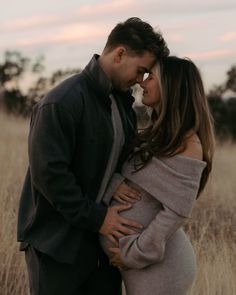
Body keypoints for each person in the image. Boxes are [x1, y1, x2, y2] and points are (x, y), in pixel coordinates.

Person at [17, 17, 169, 295]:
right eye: (140, 70)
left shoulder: (122, 104)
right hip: (57, 246)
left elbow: (114, 160)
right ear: (120, 53)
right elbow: (50, 177)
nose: (139, 80)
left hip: (100, 250)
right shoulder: (61, 102)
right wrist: (99, 218)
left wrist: (117, 179)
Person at [100, 56, 215, 295]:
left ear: (171, 86)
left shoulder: (188, 144)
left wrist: (134, 253)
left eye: (151, 77)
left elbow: (176, 212)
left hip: (160, 266)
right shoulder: (156, 135)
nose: (142, 82)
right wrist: (115, 185)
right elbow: (126, 176)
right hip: (139, 263)